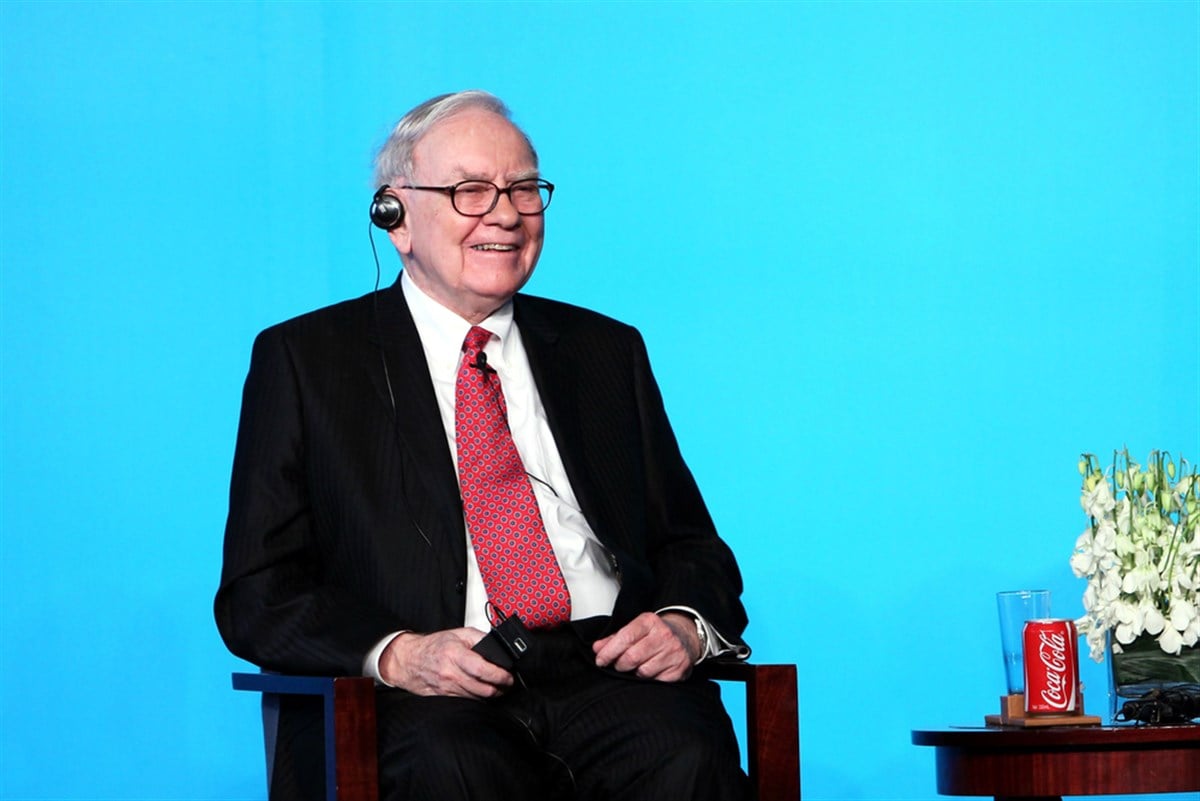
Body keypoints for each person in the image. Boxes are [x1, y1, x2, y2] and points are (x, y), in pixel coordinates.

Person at [215, 89, 751, 801]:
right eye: (470, 190)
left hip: (601, 671)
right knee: (453, 766)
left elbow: (692, 546)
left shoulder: (604, 350)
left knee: (687, 752)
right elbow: (259, 592)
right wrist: (397, 654)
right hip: (425, 693)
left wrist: (683, 625)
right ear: (395, 217)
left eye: (524, 188)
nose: (504, 213)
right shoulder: (308, 360)